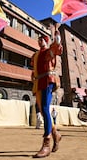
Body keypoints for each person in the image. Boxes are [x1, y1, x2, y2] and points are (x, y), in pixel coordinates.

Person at [31, 24, 62, 158]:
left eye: (42, 39)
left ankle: (46, 143)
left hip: (48, 80)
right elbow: (33, 67)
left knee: (44, 108)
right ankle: (56, 133)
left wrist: (57, 38)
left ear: (46, 40)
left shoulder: (49, 51)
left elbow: (56, 49)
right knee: (43, 111)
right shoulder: (36, 54)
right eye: (38, 40)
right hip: (38, 82)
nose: (40, 41)